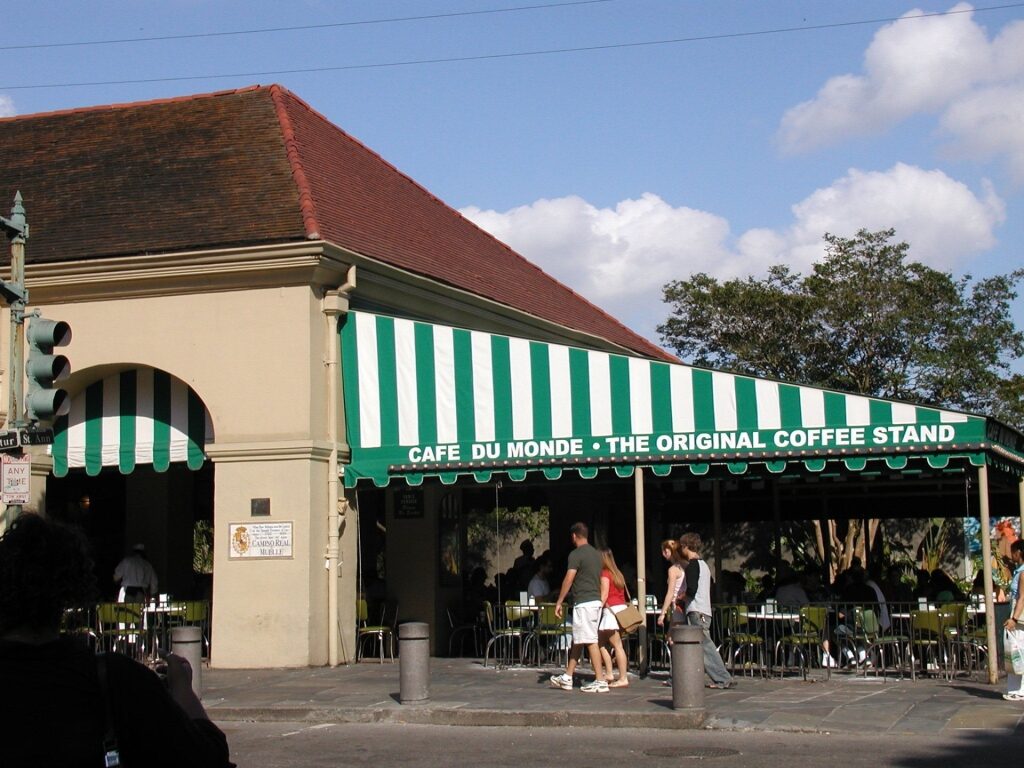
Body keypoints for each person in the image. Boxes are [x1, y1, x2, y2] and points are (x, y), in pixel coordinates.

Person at [0, 513, 233, 767]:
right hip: (138, 599)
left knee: (125, 627)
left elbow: (116, 577)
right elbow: (206, 756)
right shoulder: (116, 679)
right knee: (136, 628)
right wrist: (184, 691)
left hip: (127, 598)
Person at [549, 522, 607, 693]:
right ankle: (568, 676)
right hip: (594, 600)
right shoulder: (597, 555)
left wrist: (559, 600)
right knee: (579, 639)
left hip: (584, 602)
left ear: (574, 536)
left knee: (589, 640)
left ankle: (600, 679)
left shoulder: (575, 555)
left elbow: (569, 578)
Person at [678, 532, 735, 689]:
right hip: (704, 610)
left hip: (696, 610)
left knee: (704, 646)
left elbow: (692, 590)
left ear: (685, 546)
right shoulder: (704, 565)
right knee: (701, 645)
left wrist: (681, 596)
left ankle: (722, 678)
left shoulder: (692, 566)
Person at [597, 547, 630, 688]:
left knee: (616, 645)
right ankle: (610, 673)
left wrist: (596, 609)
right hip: (620, 609)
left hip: (610, 611)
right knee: (601, 642)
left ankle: (622, 677)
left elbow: (604, 596)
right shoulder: (618, 573)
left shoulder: (605, 573)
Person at [1002, 539, 1024, 702]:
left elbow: (1022, 597)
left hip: (1019, 617)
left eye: (1013, 552)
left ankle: (1018, 689)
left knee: (1016, 652)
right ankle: (1016, 688)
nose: (1012, 555)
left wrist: (1014, 618)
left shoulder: (1023, 573)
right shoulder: (1018, 571)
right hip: (1018, 615)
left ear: (1019, 553)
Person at [657, 539, 686, 631]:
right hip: (687, 604)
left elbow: (670, 593)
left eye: (664, 551)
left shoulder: (673, 570)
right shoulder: (687, 565)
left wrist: (662, 613)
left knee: (674, 637)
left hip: (677, 605)